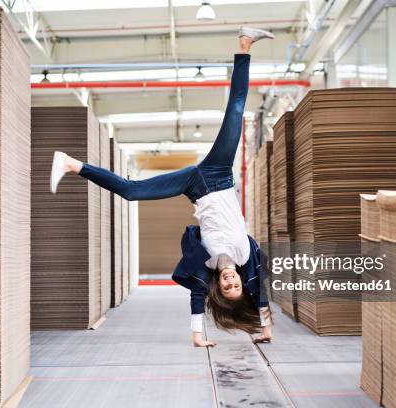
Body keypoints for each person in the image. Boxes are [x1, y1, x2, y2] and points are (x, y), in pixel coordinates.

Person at [50, 27, 275, 347]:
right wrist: (265, 325)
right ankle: (245, 44)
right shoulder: (246, 255)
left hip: (195, 186)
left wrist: (198, 337)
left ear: (219, 287)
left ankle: (73, 165)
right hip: (220, 174)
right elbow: (259, 289)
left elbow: (198, 299)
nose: (230, 282)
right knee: (236, 110)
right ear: (240, 279)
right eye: (236, 285)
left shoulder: (206, 265)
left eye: (227, 288)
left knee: (131, 191)